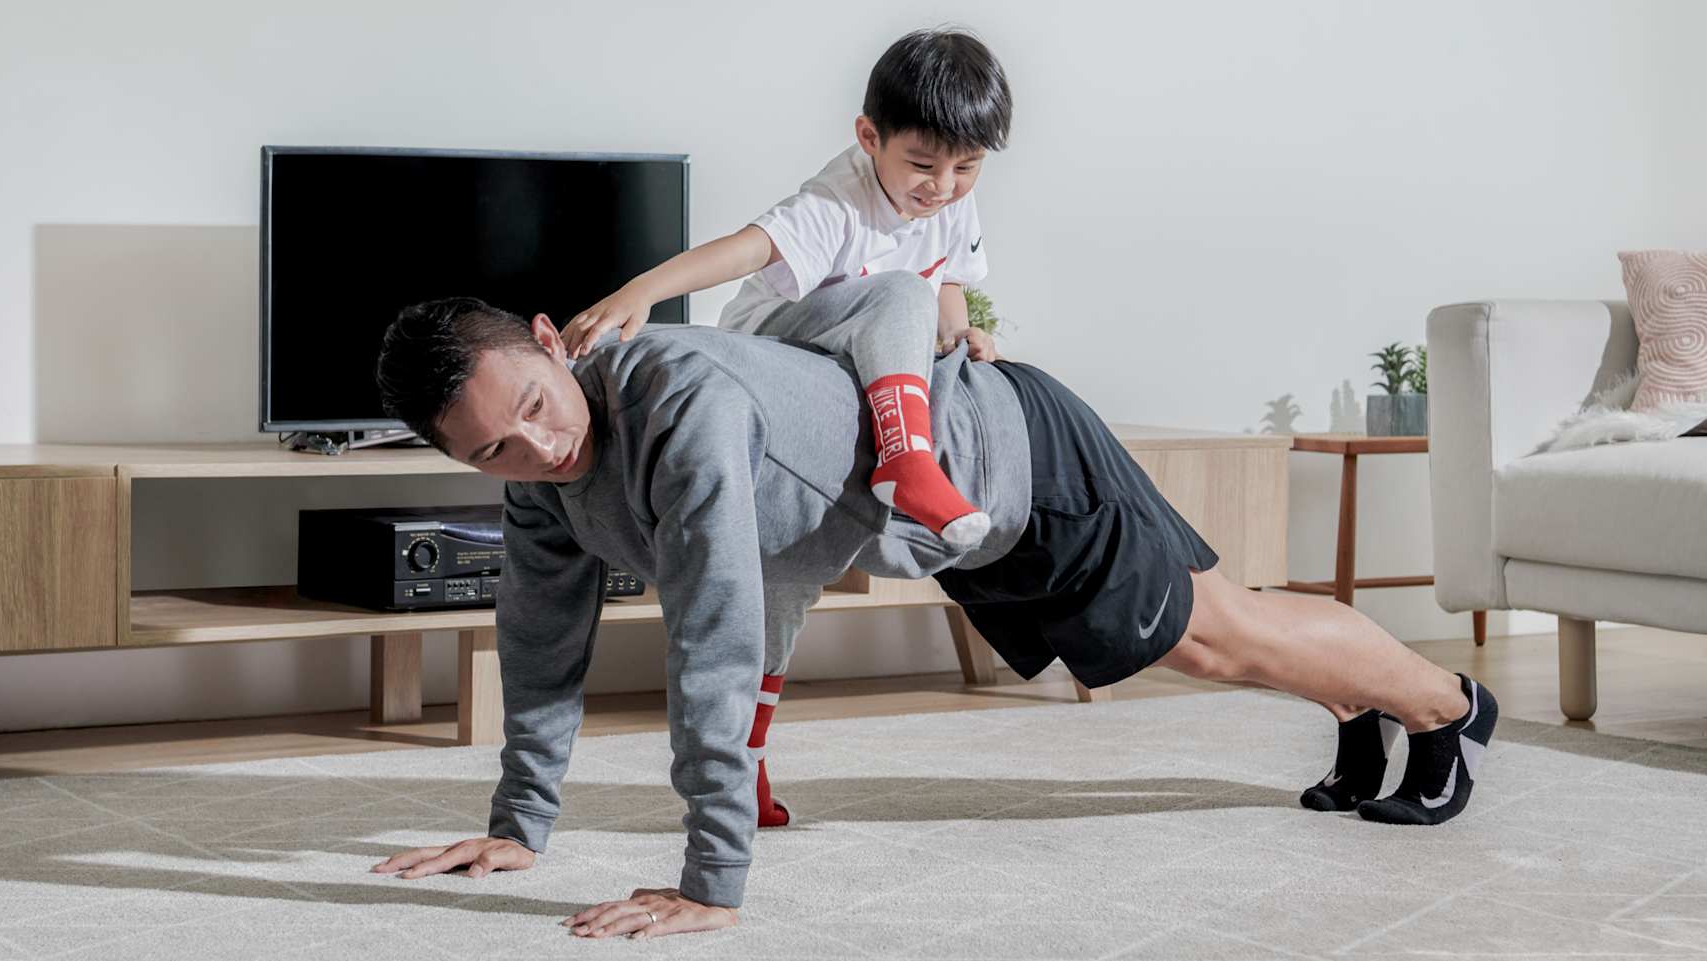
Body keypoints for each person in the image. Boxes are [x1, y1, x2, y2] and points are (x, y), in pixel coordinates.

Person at [367, 293, 1498, 941]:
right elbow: (540, 641)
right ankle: (1360, 711)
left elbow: (716, 634)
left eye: (537, 404)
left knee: (1213, 636)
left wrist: (711, 882)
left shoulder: (680, 404)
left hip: (1016, 459)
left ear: (553, 339)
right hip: (955, 520)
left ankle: (1447, 708)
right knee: (1211, 635)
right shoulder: (542, 487)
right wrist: (520, 824)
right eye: (496, 450)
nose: (542, 448)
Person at [560, 28, 1011, 553]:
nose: (943, 185)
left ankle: (899, 464)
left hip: (835, 367)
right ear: (870, 138)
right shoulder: (838, 202)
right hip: (770, 346)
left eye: (967, 166)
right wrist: (642, 291)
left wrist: (957, 334)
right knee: (904, 293)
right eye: (923, 165)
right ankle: (908, 459)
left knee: (786, 575)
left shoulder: (951, 200)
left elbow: (947, 275)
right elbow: (748, 249)